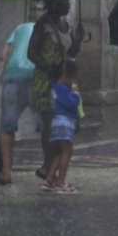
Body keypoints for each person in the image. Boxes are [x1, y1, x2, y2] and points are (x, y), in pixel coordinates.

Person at [27, 0, 83, 181]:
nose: (68, 4)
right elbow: (31, 53)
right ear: (53, 4)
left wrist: (78, 39)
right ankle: (49, 166)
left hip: (63, 83)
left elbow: (71, 53)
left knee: (67, 126)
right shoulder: (42, 25)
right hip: (46, 84)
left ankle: (48, 167)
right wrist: (48, 67)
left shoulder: (66, 25)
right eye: (64, 1)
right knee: (51, 127)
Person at [0, 21, 34, 185]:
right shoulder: (51, 29)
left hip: (13, 75)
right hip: (36, 75)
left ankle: (6, 172)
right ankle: (50, 173)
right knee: (48, 125)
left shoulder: (19, 27)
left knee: (7, 126)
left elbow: (2, 54)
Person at [41, 61, 81, 194]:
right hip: (65, 123)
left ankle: (49, 179)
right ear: (65, 76)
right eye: (73, 77)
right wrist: (76, 94)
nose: (74, 81)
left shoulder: (55, 87)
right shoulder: (61, 88)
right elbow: (71, 103)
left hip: (58, 122)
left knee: (59, 153)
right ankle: (60, 182)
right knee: (66, 153)